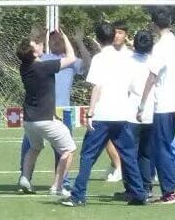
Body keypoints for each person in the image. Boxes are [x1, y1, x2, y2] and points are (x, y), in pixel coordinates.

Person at [63, 22, 146, 207]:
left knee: (88, 156)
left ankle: (78, 195)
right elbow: (133, 87)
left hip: (102, 114)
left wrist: (90, 112)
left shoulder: (100, 59)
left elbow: (97, 86)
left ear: (98, 39)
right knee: (128, 155)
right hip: (122, 114)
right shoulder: (127, 58)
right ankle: (139, 193)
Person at [19, 29, 90, 191]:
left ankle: (59, 181)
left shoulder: (28, 65)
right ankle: (42, 181)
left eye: (60, 39)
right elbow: (32, 50)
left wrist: (78, 42)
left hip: (54, 111)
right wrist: (41, 38)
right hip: (47, 113)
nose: (56, 42)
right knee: (66, 147)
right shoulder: (44, 61)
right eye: (53, 40)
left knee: (40, 147)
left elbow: (87, 65)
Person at [137, 8, 175, 204]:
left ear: (153, 24)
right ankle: (171, 187)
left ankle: (170, 191)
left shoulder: (160, 47)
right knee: (164, 145)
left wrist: (142, 103)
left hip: (164, 103)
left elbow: (152, 75)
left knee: (160, 147)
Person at [118, 29, 155, 203]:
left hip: (132, 110)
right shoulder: (154, 61)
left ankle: (132, 188)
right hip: (150, 110)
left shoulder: (127, 61)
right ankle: (146, 186)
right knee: (145, 153)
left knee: (129, 152)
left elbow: (124, 87)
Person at [104, 20, 132, 183]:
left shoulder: (129, 54)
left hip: (126, 101)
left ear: (125, 35)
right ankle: (116, 164)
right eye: (115, 32)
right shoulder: (106, 53)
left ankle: (121, 167)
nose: (117, 35)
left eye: (120, 32)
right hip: (109, 100)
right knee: (107, 136)